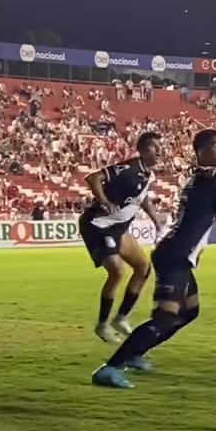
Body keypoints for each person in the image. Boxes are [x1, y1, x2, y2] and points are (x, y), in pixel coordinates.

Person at [92, 128, 216, 389]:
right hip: (175, 257)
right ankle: (112, 366)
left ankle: (134, 352)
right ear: (202, 151)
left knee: (190, 311)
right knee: (166, 317)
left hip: (178, 255)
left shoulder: (202, 178)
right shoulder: (212, 181)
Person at [80, 132, 166, 342]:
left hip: (118, 228)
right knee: (118, 272)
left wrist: (155, 217)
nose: (161, 151)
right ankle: (102, 325)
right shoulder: (129, 169)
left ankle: (121, 318)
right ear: (143, 151)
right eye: (156, 148)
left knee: (143, 268)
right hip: (99, 226)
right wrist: (103, 200)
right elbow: (94, 177)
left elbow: (141, 196)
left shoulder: (147, 174)